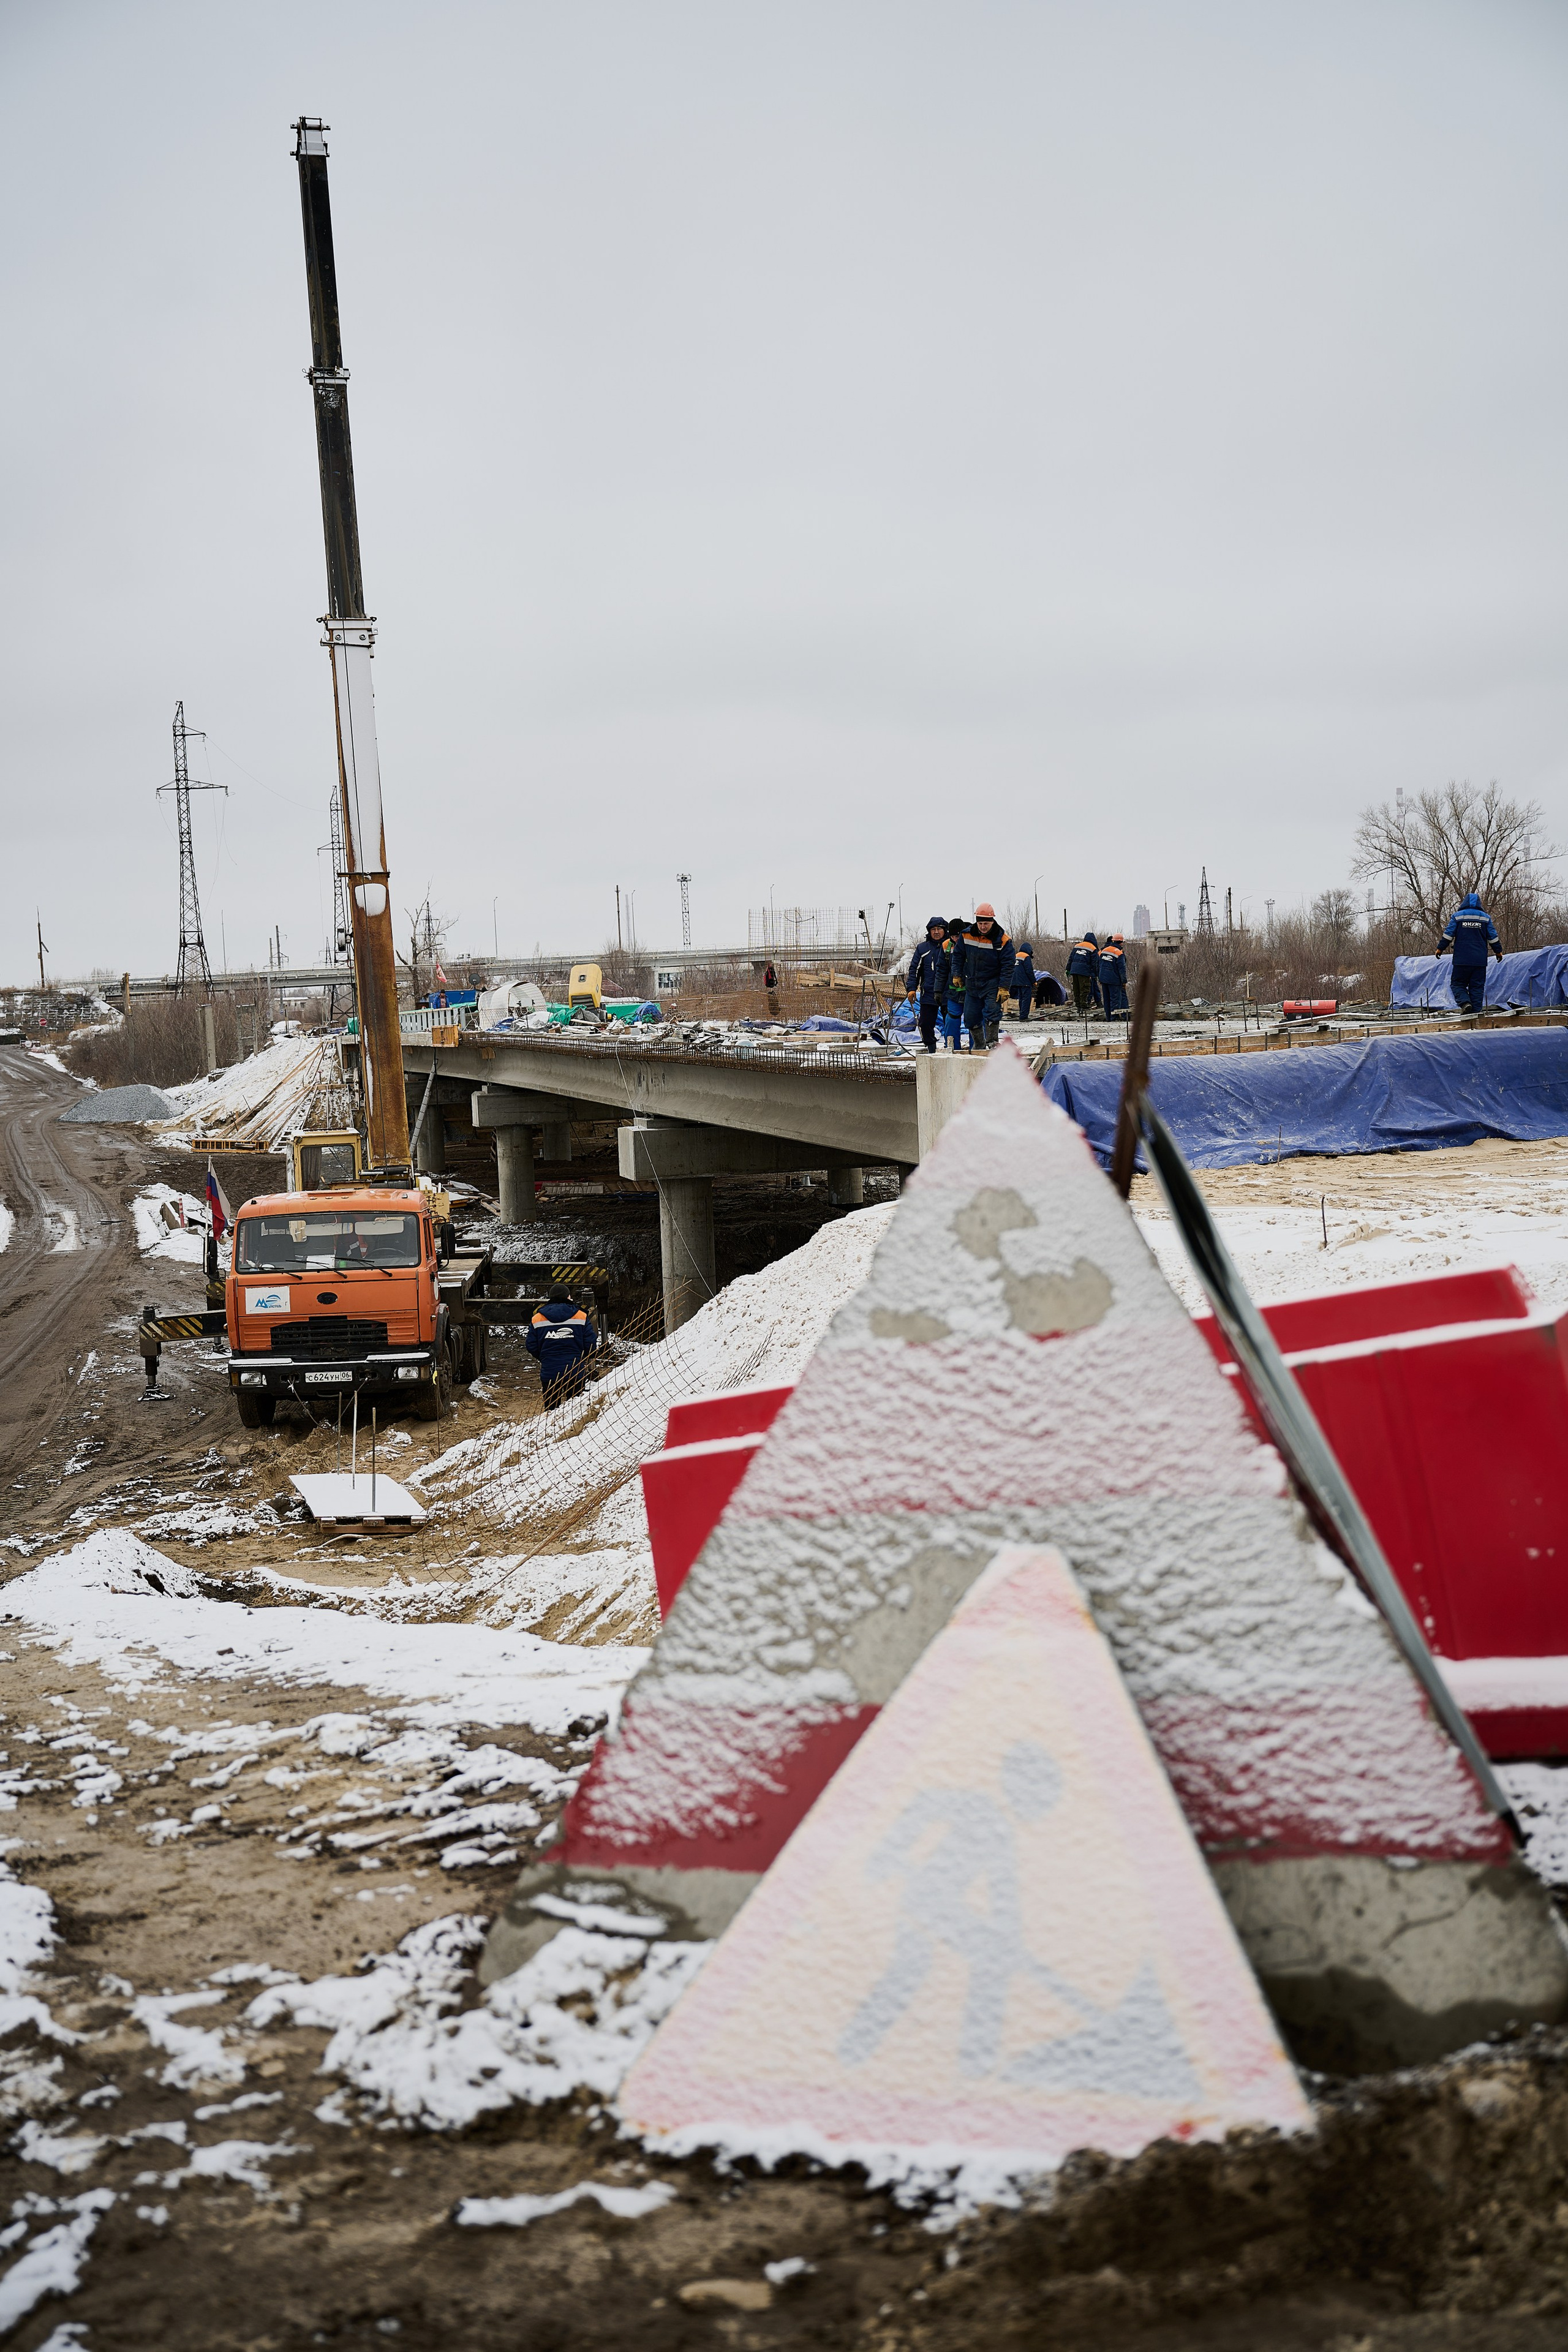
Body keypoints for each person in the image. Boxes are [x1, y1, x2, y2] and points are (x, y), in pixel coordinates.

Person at [953, 902, 1015, 1050]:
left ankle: (992, 1042)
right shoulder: (966, 935)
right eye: (980, 923)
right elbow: (958, 956)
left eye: (986, 923)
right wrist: (957, 974)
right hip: (973, 982)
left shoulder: (1003, 940)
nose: (983, 927)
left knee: (992, 1012)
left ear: (992, 921)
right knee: (970, 1017)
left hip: (992, 983)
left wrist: (1004, 987)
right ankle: (979, 1045)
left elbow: (1008, 965)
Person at [526, 1283, 598, 1404]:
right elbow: (590, 1343)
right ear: (568, 1297)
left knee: (552, 1411)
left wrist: (545, 1357)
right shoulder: (581, 1316)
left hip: (550, 1372)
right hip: (575, 1371)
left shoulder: (538, 1318)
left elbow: (531, 1345)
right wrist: (581, 1358)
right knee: (576, 1410)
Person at [1436, 892, 1502, 1015]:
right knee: (1477, 987)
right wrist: (1498, 951)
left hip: (1462, 959)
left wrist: (1440, 948)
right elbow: (1493, 937)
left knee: (1457, 984)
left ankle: (1465, 1003)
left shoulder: (1457, 917)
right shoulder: (1485, 918)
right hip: (1479, 961)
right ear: (1479, 904)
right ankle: (1476, 1014)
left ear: (1464, 903)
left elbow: (1448, 934)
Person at [905, 916, 949, 1053]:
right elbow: (914, 970)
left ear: (945, 930)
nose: (936, 932)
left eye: (939, 929)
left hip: (948, 992)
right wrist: (912, 989)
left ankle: (951, 1048)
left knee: (951, 1023)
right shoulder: (922, 948)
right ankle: (931, 1049)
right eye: (933, 929)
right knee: (925, 1024)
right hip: (929, 993)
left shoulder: (950, 946)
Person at [941, 914, 970, 1049]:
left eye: (958, 936)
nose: (956, 939)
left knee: (975, 1022)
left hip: (972, 992)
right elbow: (941, 971)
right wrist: (938, 991)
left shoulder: (973, 942)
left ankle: (977, 1051)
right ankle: (952, 1050)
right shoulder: (946, 946)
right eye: (953, 937)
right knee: (951, 1020)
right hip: (954, 993)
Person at [1065, 930, 1101, 1017]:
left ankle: (1078, 1006)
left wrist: (1068, 969)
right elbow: (1094, 964)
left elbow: (1071, 959)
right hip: (1084, 972)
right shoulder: (1093, 948)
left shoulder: (1077, 946)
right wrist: (1096, 975)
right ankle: (1084, 1007)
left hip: (1074, 970)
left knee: (1077, 989)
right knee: (1084, 989)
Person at [1098, 933, 1129, 1019]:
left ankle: (1109, 1018)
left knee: (1107, 1000)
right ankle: (1114, 1019)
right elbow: (1122, 969)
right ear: (1121, 942)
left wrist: (1100, 978)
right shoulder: (1119, 953)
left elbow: (1099, 965)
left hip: (1104, 979)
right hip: (1114, 980)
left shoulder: (1104, 951)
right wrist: (1124, 982)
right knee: (1115, 1000)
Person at [1011, 941, 1036, 1023]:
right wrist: (1034, 981)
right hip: (1025, 981)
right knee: (1026, 999)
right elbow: (1029, 971)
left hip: (1016, 981)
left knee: (1021, 998)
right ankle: (1024, 1017)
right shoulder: (1026, 957)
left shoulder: (1016, 956)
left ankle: (1022, 1014)